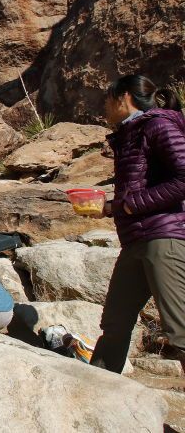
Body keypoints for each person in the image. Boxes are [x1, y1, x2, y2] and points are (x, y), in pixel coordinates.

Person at [89, 74, 185, 374]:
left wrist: (130, 205)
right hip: (135, 241)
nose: (104, 107)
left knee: (179, 329)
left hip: (164, 237)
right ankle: (99, 394)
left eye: (107, 100)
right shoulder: (129, 133)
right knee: (115, 324)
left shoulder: (157, 125)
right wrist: (110, 207)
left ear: (124, 97)